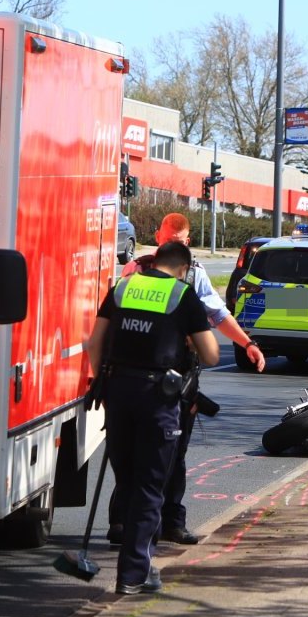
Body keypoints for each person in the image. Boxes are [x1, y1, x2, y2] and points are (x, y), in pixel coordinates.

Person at [109, 212, 266, 546]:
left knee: (174, 457)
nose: (172, 246)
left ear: (187, 244)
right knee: (130, 457)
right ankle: (124, 524)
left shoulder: (195, 276)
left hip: (177, 380)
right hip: (138, 375)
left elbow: (219, 316)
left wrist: (247, 343)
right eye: (168, 239)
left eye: (178, 242)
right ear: (158, 235)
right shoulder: (133, 270)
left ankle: (169, 524)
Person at [86, 240, 220, 594]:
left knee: (128, 481)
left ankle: (138, 566)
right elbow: (210, 354)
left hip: (118, 394)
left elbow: (94, 342)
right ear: (183, 268)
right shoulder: (182, 295)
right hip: (158, 400)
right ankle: (133, 575)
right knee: (149, 487)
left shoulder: (123, 287)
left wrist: (101, 377)